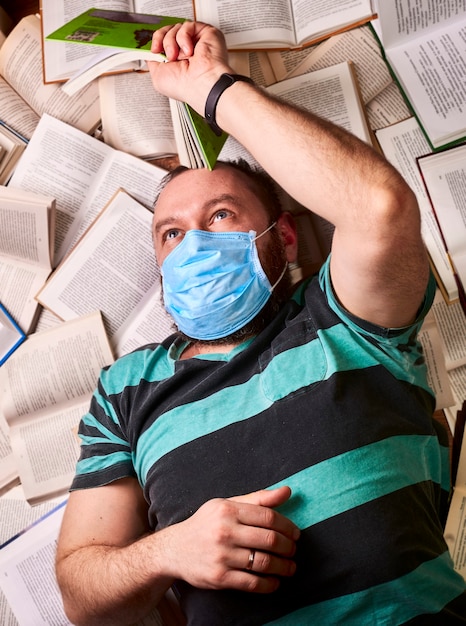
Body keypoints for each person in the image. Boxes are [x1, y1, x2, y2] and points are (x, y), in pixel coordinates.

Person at [55, 21, 466, 626]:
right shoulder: (124, 390)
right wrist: (169, 551)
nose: (193, 243)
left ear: (285, 237)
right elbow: (82, 599)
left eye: (220, 214)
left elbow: (379, 209)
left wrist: (211, 88)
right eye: (171, 233)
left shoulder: (343, 319)